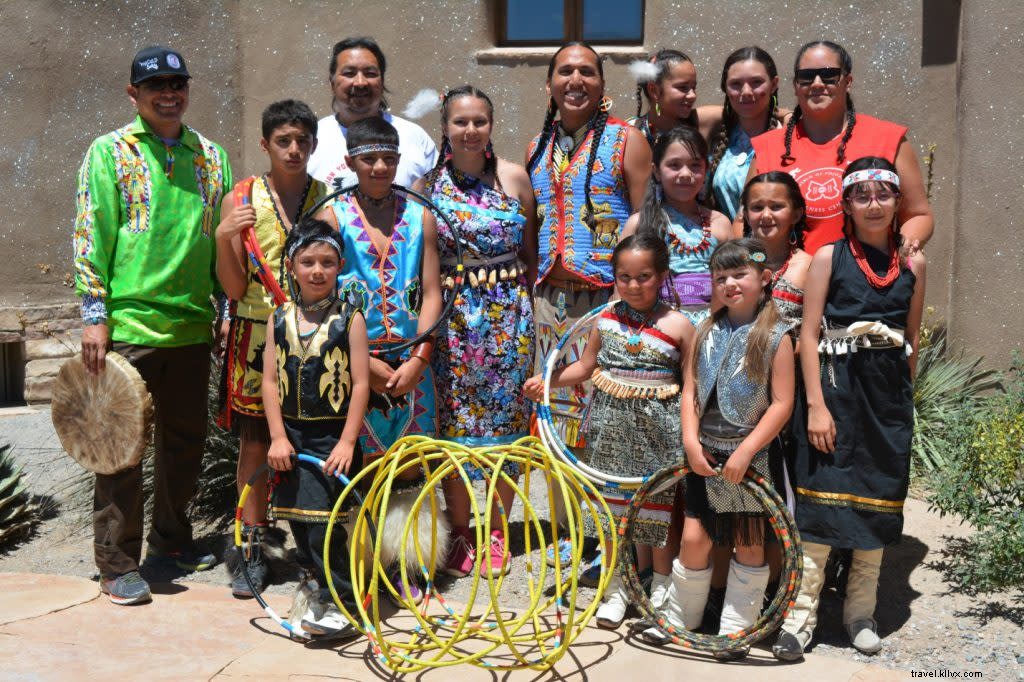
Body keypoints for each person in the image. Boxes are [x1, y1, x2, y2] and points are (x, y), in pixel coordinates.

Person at [74, 45, 231, 605]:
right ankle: (116, 563)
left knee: (185, 444)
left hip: (191, 326)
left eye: (177, 84)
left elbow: (221, 242)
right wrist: (96, 315)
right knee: (120, 447)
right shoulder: (110, 152)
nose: (169, 94)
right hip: (130, 327)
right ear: (133, 94)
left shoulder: (211, 155)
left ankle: (171, 541)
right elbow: (91, 232)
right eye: (155, 86)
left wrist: (224, 306)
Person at [773, 157, 926, 661]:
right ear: (846, 204)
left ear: (897, 202)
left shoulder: (914, 263)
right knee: (819, 507)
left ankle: (860, 613)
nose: (874, 204)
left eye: (884, 194)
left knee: (875, 505)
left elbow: (912, 338)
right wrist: (815, 406)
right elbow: (809, 335)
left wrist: (903, 409)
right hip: (835, 392)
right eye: (863, 195)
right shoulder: (828, 258)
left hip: (885, 402)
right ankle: (800, 619)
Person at [525, 233, 695, 629]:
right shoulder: (606, 318)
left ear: (663, 275)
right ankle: (617, 585)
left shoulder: (680, 325)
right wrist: (548, 382)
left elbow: (691, 386)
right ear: (614, 277)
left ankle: (658, 591)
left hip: (659, 434)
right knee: (616, 515)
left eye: (644, 276)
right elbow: (585, 367)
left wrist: (689, 437)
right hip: (609, 429)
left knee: (657, 515)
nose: (634, 286)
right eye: (624, 277)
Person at [525, 40, 651, 570]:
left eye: (586, 72)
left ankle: (614, 533)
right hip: (551, 297)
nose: (575, 80)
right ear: (549, 83)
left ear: (602, 84)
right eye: (565, 72)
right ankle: (571, 529)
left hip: (606, 298)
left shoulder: (628, 140)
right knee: (554, 412)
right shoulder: (537, 143)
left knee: (606, 413)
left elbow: (646, 216)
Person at [317, 116, 446, 605]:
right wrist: (362, 366)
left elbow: (432, 291)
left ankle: (414, 565)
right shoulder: (334, 219)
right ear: (350, 162)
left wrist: (421, 354)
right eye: (368, 158)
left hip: (414, 361)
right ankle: (364, 568)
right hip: (355, 363)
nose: (379, 166)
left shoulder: (420, 216)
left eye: (388, 158)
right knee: (365, 465)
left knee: (412, 463)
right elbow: (322, 295)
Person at [649, 239, 795, 659]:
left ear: (764, 279)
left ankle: (736, 627)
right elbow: (690, 389)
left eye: (740, 274)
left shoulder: (776, 335)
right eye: (721, 277)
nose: (730, 283)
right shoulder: (705, 329)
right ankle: (682, 620)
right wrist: (691, 442)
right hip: (705, 454)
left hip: (751, 458)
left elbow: (782, 403)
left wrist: (747, 451)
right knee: (694, 538)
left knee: (749, 542)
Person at [421, 86, 537, 578]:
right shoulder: (427, 185)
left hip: (508, 318)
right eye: (461, 122)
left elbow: (530, 251)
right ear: (445, 127)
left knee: (508, 426)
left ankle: (496, 530)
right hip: (453, 321)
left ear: (492, 124)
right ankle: (460, 529)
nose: (471, 131)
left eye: (480, 122)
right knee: (456, 428)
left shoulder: (513, 177)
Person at [215, 100, 329, 597]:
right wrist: (224, 238)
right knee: (257, 445)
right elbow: (235, 288)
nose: (294, 149)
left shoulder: (324, 196)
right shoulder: (240, 198)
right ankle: (250, 547)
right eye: (283, 140)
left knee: (311, 441)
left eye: (303, 140)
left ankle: (312, 546)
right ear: (265, 145)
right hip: (257, 333)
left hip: (312, 335)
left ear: (314, 144)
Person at [262, 218, 369, 640]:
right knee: (300, 524)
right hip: (290, 437)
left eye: (327, 261)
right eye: (308, 261)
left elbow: (361, 383)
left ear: (340, 265)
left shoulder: (349, 319)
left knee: (326, 525)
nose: (317, 270)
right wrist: (276, 436)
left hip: (330, 438)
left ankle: (342, 603)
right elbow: (270, 381)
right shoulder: (279, 319)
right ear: (291, 265)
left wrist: (347, 441)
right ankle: (315, 593)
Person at [745, 40, 933, 254]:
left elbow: (918, 215)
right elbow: (743, 222)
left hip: (866, 283)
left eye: (829, 75)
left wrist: (903, 250)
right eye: (806, 77)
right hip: (791, 282)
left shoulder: (887, 138)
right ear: (796, 86)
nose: (816, 83)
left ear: (848, 81)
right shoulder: (768, 147)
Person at [621, 126, 732, 326]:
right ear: (655, 171)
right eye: (674, 165)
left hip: (712, 328)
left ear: (706, 170)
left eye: (695, 165)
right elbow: (620, 291)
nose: (685, 174)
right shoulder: (639, 224)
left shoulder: (720, 224)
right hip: (656, 327)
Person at [308, 36, 437, 191]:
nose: (360, 82)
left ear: (382, 82)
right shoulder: (308, 140)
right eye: (349, 73)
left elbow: (438, 200)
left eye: (370, 73)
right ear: (331, 82)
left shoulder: (414, 136)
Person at [705, 47, 784, 221]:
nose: (746, 91)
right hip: (728, 246)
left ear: (774, 84)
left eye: (756, 82)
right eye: (736, 84)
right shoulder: (717, 137)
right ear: (725, 88)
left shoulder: (788, 139)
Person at [742, 171, 812, 330]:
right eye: (757, 207)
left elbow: (816, 334)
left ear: (796, 214)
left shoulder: (811, 267)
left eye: (776, 207)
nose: (766, 215)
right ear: (746, 215)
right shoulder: (734, 261)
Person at [628, 49, 699, 148]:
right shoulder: (628, 133)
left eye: (694, 87)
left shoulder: (700, 124)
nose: (693, 95)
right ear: (654, 91)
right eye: (683, 87)